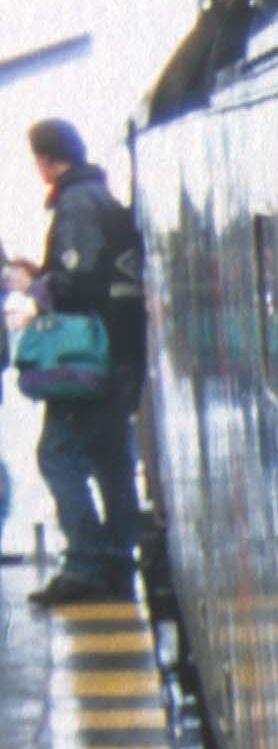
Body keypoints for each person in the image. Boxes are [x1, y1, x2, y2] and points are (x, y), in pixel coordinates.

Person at [20, 119, 143, 602]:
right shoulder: (103, 198)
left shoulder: (75, 204)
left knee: (56, 454)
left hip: (87, 362)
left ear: (49, 160)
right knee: (112, 459)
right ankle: (117, 561)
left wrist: (33, 284)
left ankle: (87, 564)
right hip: (122, 354)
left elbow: (76, 283)